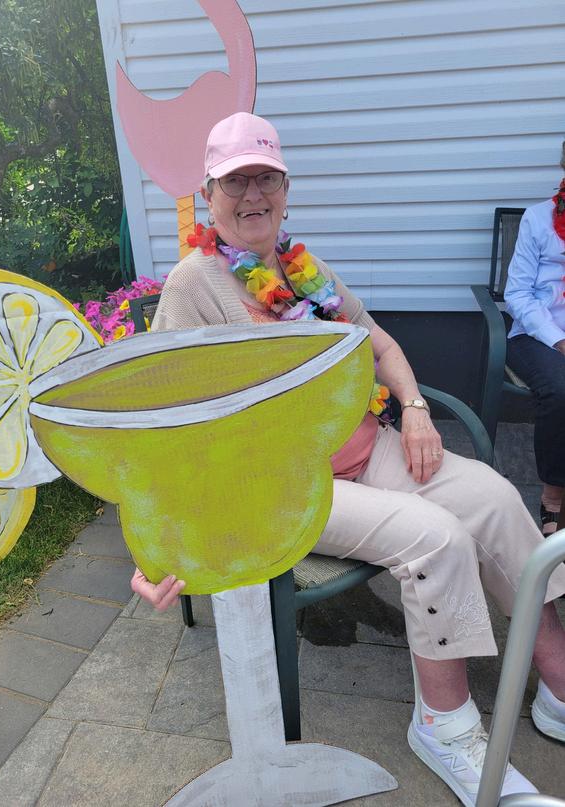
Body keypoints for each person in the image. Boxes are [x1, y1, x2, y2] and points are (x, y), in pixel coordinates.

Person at [132, 113, 565, 806]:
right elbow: (166, 421)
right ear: (208, 194)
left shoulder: (305, 268)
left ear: (285, 189)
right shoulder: (194, 285)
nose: (253, 194)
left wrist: (414, 408)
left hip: (371, 447)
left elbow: (379, 345)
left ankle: (556, 683)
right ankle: (444, 726)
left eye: (266, 177)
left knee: (493, 497)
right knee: (437, 538)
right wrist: (161, 537)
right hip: (286, 484)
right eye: (235, 181)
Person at [504, 142, 565, 536]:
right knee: (561, 389)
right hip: (538, 333)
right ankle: (553, 497)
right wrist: (559, 341)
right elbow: (518, 294)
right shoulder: (538, 219)